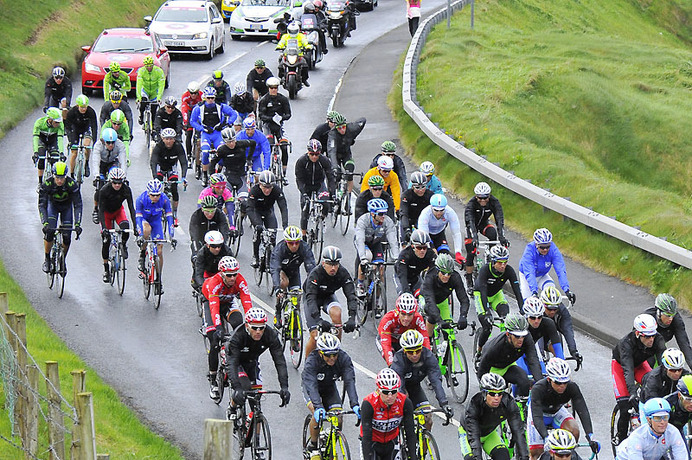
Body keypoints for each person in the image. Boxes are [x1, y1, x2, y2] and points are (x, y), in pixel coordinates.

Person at [203, 256, 253, 402]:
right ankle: (213, 379)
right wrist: (218, 327)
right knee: (214, 338)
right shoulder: (214, 282)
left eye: (235, 274)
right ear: (222, 274)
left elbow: (246, 301)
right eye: (229, 275)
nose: (232, 278)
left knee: (239, 325)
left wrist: (250, 324)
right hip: (212, 302)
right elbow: (214, 307)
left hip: (229, 302)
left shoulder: (240, 280)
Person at [302, 333, 359, 460]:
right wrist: (318, 406)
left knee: (338, 416)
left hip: (329, 388)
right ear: (321, 353)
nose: (332, 358)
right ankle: (313, 445)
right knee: (317, 414)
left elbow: (349, 382)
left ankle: (331, 437)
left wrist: (354, 404)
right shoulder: (312, 361)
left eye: (335, 354)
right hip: (311, 387)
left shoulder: (344, 358)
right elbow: (311, 386)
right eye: (328, 355)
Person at [528, 358, 599, 460]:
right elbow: (537, 417)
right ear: (549, 379)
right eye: (557, 382)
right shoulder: (538, 389)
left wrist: (590, 436)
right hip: (539, 415)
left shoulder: (572, 387)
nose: (562, 386)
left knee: (574, 432)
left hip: (556, 412)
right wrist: (546, 437)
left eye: (565, 382)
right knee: (537, 453)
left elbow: (583, 411)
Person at [612, 313, 666, 445]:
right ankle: (621, 438)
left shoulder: (658, 339)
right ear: (638, 333)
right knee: (625, 406)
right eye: (647, 336)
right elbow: (628, 370)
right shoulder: (626, 343)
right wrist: (631, 393)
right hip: (621, 367)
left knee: (653, 387)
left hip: (641, 365)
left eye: (653, 335)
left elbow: (664, 366)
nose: (651, 339)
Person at [224, 307, 290, 411]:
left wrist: (284, 387)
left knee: (256, 404)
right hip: (237, 362)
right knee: (245, 387)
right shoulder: (238, 337)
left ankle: (255, 423)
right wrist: (237, 388)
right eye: (254, 328)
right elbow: (232, 363)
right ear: (247, 325)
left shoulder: (270, 335)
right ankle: (232, 408)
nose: (258, 331)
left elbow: (280, 361)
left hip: (252, 362)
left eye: (261, 328)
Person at [390, 329, 453, 431]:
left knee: (428, 419)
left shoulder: (428, 356)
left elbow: (436, 381)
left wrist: (444, 403)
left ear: (422, 348)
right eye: (410, 352)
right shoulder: (399, 360)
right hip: (400, 388)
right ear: (404, 351)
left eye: (417, 350)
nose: (414, 355)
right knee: (402, 414)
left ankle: (424, 446)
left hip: (415, 388)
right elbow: (399, 387)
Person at [303, 246, 359, 358]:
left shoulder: (343, 273)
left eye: (336, 264)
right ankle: (308, 365)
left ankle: (335, 352)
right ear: (323, 263)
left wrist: (352, 317)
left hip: (328, 296)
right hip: (312, 298)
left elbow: (351, 296)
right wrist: (318, 320)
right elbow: (311, 299)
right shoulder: (315, 274)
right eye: (330, 264)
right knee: (315, 336)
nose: (333, 268)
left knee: (337, 313)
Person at [477, 313, 542, 400]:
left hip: (508, 366)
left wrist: (540, 383)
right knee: (497, 398)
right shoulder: (496, 347)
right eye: (517, 336)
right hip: (492, 368)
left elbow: (533, 360)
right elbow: (482, 371)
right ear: (508, 335)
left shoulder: (527, 338)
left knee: (524, 381)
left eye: (522, 336)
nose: (520, 339)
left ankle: (521, 408)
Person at [465, 372, 529, 460]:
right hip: (468, 434)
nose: (496, 397)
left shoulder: (508, 403)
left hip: (489, 434)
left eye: (500, 394)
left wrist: (525, 456)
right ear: (484, 393)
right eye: (492, 394)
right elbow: (473, 435)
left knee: (503, 457)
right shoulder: (474, 404)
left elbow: (518, 431)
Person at [474, 245, 524, 353]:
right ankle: (479, 350)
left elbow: (517, 291)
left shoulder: (509, 270)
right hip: (481, 294)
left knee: (506, 318)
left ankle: (504, 347)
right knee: (487, 326)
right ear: (493, 261)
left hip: (496, 295)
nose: (503, 266)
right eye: (500, 262)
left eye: (505, 262)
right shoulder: (485, 270)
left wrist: (522, 308)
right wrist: (487, 311)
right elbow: (483, 292)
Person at [360, 368, 416, 460]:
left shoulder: (404, 402)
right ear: (378, 390)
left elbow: (410, 432)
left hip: (392, 443)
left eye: (393, 392)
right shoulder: (369, 403)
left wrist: (413, 457)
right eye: (386, 392)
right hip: (372, 443)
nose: (390, 396)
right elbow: (366, 436)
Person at [38, 162, 83, 273]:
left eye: (62, 178)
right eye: (57, 178)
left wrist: (77, 224)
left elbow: (78, 205)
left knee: (67, 236)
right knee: (49, 233)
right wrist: (45, 223)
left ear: (66, 176)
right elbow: (42, 205)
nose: (59, 181)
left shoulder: (72, 184)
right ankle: (47, 259)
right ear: (53, 175)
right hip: (52, 207)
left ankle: (62, 259)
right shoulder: (47, 184)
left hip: (66, 208)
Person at [189, 86, 238, 185]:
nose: (210, 100)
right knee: (206, 152)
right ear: (205, 98)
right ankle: (205, 174)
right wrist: (202, 129)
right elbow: (192, 121)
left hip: (217, 133)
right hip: (206, 133)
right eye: (208, 98)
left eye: (212, 98)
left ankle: (218, 171)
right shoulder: (199, 108)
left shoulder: (221, 106)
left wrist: (228, 124)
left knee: (222, 152)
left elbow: (233, 114)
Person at [270, 225, 316, 327]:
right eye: (291, 243)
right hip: (281, 271)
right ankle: (278, 310)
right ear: (286, 242)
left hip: (294, 272)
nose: (294, 245)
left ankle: (295, 327)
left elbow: (311, 268)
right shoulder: (279, 250)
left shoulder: (304, 247)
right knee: (284, 282)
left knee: (296, 299)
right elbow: (275, 270)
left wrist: (313, 285)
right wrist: (277, 289)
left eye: (296, 242)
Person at [353, 199, 399, 301]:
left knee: (380, 269)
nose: (384, 216)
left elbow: (393, 240)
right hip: (363, 243)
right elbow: (360, 240)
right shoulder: (363, 220)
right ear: (372, 214)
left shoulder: (387, 221)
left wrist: (396, 258)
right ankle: (360, 284)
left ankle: (377, 299)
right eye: (381, 213)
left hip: (376, 243)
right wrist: (363, 258)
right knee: (368, 257)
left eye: (385, 213)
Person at [208, 128, 256, 225]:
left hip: (241, 176)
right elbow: (213, 162)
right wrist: (212, 176)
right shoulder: (222, 150)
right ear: (225, 142)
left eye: (233, 141)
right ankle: (222, 220)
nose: (231, 144)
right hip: (229, 177)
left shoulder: (241, 144)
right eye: (229, 142)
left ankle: (240, 221)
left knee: (244, 203)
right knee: (222, 199)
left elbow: (253, 143)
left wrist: (249, 158)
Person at [95, 167, 136, 283]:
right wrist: (104, 228)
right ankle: (106, 270)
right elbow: (101, 210)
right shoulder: (104, 190)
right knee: (106, 241)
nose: (117, 185)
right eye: (115, 182)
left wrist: (136, 226)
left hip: (118, 211)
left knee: (126, 229)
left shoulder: (126, 190)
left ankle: (123, 245)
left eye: (119, 183)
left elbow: (131, 208)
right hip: (106, 214)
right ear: (110, 181)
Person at [464, 182, 508, 286]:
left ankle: (491, 257)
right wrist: (474, 237)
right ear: (476, 196)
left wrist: (502, 237)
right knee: (471, 251)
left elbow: (499, 220)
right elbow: (470, 221)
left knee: (493, 233)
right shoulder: (471, 204)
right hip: (472, 225)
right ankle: (469, 279)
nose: (483, 200)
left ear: (489, 196)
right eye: (480, 198)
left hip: (484, 224)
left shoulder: (494, 202)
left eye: (485, 198)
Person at [615, 397, 687, 460]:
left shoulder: (673, 432)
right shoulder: (637, 437)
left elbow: (681, 455)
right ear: (649, 420)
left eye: (665, 417)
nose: (662, 422)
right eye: (657, 418)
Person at [419, 252, 470, 339]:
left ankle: (447, 349)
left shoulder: (455, 277)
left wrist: (463, 316)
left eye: (449, 273)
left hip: (442, 302)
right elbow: (430, 302)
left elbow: (464, 299)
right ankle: (428, 343)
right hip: (426, 300)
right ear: (438, 270)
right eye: (443, 273)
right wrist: (439, 320)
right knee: (432, 317)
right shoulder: (430, 277)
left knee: (449, 331)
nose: (446, 276)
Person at [519, 228, 576, 304]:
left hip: (543, 275)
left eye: (548, 246)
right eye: (542, 247)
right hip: (527, 277)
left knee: (552, 296)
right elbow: (530, 273)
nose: (545, 249)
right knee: (529, 304)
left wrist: (567, 290)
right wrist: (534, 292)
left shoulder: (553, 250)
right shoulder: (529, 251)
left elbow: (560, 270)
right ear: (536, 244)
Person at [135, 179, 175, 281]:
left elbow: (170, 216)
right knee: (146, 230)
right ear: (148, 193)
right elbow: (138, 218)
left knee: (159, 251)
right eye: (153, 195)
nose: (156, 197)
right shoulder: (141, 199)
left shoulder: (164, 199)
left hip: (156, 221)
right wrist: (140, 235)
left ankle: (158, 277)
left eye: (158, 195)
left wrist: (172, 235)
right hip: (144, 219)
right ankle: (142, 254)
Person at [247, 170, 289, 267]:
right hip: (256, 211)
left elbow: (283, 207)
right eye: (265, 187)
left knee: (272, 234)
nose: (267, 190)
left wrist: (285, 224)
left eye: (270, 187)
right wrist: (256, 224)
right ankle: (256, 256)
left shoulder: (277, 190)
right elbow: (250, 208)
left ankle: (271, 257)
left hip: (268, 211)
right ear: (260, 185)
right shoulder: (254, 191)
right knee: (258, 231)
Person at [295, 139, 336, 236]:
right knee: (305, 211)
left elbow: (330, 178)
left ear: (320, 153)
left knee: (325, 202)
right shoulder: (301, 161)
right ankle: (304, 236)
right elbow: (299, 180)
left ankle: (321, 218)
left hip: (319, 184)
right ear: (308, 152)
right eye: (311, 154)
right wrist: (303, 193)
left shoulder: (324, 161)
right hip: (306, 185)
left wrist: (333, 194)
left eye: (317, 154)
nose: (314, 156)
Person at [376, 293, 430, 365]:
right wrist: (391, 364)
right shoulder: (388, 319)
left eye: (410, 315)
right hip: (388, 341)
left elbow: (425, 339)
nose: (406, 318)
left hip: (404, 341)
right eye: (403, 314)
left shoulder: (418, 318)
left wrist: (429, 360)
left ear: (414, 313)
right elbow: (386, 345)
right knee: (395, 362)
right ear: (398, 312)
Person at [642, 293, 692, 370]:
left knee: (668, 367)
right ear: (659, 312)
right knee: (649, 363)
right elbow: (634, 343)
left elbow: (684, 345)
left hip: (660, 344)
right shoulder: (647, 319)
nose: (670, 319)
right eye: (668, 315)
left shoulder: (676, 320)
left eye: (672, 315)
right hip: (645, 346)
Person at [149, 128, 188, 225]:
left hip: (172, 168)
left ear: (174, 139)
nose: (169, 141)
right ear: (162, 139)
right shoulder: (159, 147)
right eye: (166, 139)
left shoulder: (178, 146)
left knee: (174, 188)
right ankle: (154, 210)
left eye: (171, 139)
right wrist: (155, 178)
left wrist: (183, 177)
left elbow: (183, 162)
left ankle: (174, 213)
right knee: (156, 189)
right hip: (160, 167)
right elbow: (153, 162)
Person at [258, 77, 292, 182]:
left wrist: (281, 117)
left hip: (279, 126)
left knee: (284, 147)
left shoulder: (283, 99)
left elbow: (288, 114)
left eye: (275, 88)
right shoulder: (264, 100)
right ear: (268, 88)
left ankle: (284, 173)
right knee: (269, 145)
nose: (274, 90)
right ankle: (267, 169)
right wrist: (271, 119)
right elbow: (261, 115)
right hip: (268, 125)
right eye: (271, 88)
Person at [417, 194, 465, 265]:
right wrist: (431, 248)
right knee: (430, 256)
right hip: (427, 235)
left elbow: (456, 233)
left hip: (439, 234)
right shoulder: (425, 213)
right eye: (436, 210)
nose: (439, 213)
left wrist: (458, 252)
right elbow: (424, 235)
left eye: (442, 210)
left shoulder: (450, 212)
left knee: (445, 258)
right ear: (431, 207)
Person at [91, 128, 127, 223]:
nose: (111, 145)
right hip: (102, 164)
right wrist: (96, 176)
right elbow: (95, 161)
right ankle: (95, 209)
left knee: (116, 178)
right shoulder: (98, 145)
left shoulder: (120, 145)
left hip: (112, 163)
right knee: (99, 188)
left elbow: (123, 161)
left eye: (112, 142)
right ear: (103, 141)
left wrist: (124, 176)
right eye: (108, 142)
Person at [540, 285, 581, 364]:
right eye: (549, 308)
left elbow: (568, 330)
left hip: (552, 335)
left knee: (557, 335)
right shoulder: (537, 312)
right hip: (537, 336)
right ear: (543, 304)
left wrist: (574, 351)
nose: (552, 312)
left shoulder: (562, 310)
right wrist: (540, 357)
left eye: (555, 309)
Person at [327, 113, 366, 196]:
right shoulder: (332, 134)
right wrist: (334, 167)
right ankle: (333, 195)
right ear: (335, 127)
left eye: (343, 127)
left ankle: (348, 195)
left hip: (346, 154)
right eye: (339, 128)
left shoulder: (351, 128)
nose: (342, 130)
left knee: (350, 172)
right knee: (336, 174)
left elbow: (363, 120)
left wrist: (353, 135)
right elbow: (332, 151)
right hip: (336, 156)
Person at [522, 297, 565, 370]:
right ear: (527, 316)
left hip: (532, 348)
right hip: (517, 351)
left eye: (539, 317)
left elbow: (557, 347)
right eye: (532, 317)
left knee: (543, 373)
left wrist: (562, 366)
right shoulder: (522, 325)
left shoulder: (548, 323)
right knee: (524, 374)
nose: (536, 321)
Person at [64, 94, 97, 177]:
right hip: (75, 130)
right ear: (77, 105)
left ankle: (86, 163)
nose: (83, 109)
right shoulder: (72, 112)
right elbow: (67, 127)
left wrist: (95, 141)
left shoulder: (91, 112)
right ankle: (71, 174)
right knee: (74, 153)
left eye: (85, 107)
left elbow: (94, 126)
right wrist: (70, 140)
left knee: (87, 145)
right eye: (81, 107)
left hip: (86, 129)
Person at [393, 229, 434, 295]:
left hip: (415, 278)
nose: (422, 251)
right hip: (401, 276)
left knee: (422, 296)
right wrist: (406, 291)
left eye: (424, 247)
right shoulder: (405, 255)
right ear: (413, 246)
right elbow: (402, 275)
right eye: (419, 248)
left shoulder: (430, 254)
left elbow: (434, 271)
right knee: (405, 298)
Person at [32, 107, 65, 185]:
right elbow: (35, 138)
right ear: (50, 120)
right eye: (56, 122)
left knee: (55, 160)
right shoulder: (39, 123)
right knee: (41, 159)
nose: (58, 124)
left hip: (52, 141)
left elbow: (60, 139)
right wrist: (36, 152)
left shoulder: (60, 125)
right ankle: (40, 182)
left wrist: (61, 153)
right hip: (42, 140)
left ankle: (53, 182)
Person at [399, 171, 433, 243]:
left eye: (423, 187)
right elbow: (404, 213)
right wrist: (406, 229)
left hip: (424, 221)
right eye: (417, 187)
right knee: (405, 241)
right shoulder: (406, 195)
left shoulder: (430, 196)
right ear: (412, 187)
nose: (420, 190)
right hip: (409, 219)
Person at [275, 22, 312, 86]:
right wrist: (279, 47)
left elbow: (305, 43)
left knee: (305, 65)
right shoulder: (285, 36)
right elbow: (281, 43)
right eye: (291, 31)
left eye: (294, 31)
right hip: (287, 55)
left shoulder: (301, 36)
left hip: (299, 55)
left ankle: (304, 79)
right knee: (280, 63)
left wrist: (307, 47)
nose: (293, 32)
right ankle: (282, 77)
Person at [135, 55, 165, 126]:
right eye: (147, 66)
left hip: (155, 91)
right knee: (143, 102)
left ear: (153, 65)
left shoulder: (159, 71)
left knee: (154, 111)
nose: (148, 67)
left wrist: (159, 98)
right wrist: (138, 97)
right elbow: (139, 85)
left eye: (150, 66)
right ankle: (141, 116)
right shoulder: (141, 71)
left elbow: (161, 85)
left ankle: (153, 128)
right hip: (145, 90)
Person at [181, 81, 203, 176]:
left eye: (195, 93)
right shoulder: (185, 96)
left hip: (198, 113)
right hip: (189, 113)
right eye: (191, 93)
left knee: (198, 137)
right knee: (189, 134)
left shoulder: (202, 96)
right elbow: (184, 110)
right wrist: (185, 122)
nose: (193, 95)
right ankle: (189, 155)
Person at [664, 375, 692, 444]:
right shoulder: (668, 404)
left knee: (685, 454)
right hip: (662, 430)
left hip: (678, 428)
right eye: (688, 399)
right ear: (679, 395)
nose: (691, 403)